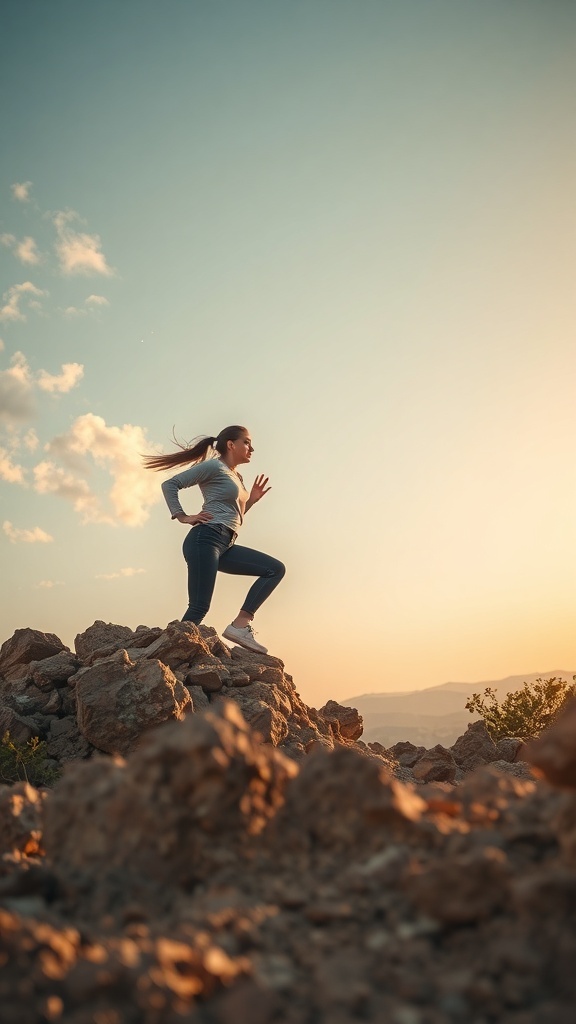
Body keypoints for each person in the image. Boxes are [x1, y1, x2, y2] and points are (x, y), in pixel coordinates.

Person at [143, 425, 285, 654]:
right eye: (247, 442)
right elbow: (170, 485)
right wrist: (182, 516)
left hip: (226, 543)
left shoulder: (236, 476)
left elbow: (233, 515)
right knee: (199, 608)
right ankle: (159, 656)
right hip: (205, 538)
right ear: (231, 444)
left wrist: (251, 501)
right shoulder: (213, 467)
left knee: (275, 569)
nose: (252, 448)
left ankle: (240, 626)